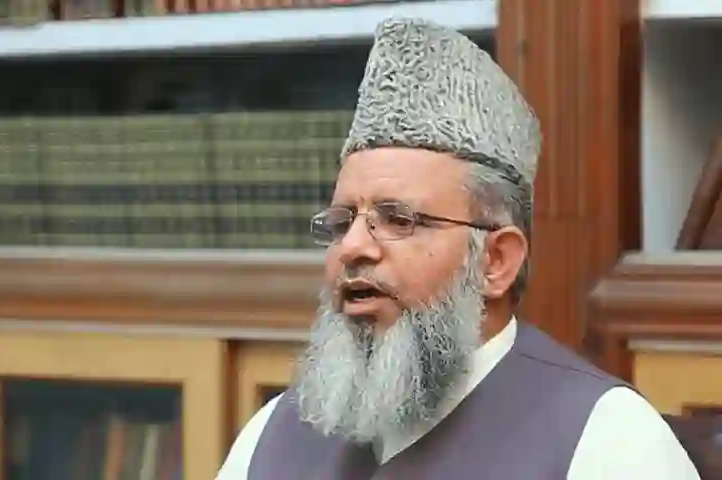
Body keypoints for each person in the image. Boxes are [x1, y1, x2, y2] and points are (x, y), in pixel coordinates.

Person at [216, 18, 700, 480]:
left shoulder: (608, 441)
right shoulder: (272, 433)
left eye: (398, 219)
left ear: (495, 261)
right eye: (343, 222)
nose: (353, 247)